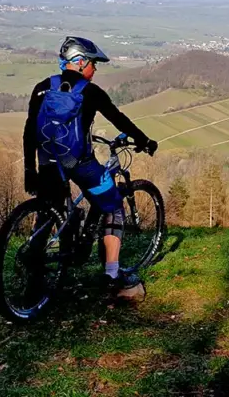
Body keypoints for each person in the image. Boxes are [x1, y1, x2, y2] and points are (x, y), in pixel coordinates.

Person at [22, 36, 158, 299]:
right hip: (79, 164)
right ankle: (112, 273)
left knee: (50, 211)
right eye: (93, 63)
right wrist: (144, 140)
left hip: (47, 161)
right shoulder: (90, 92)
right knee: (113, 204)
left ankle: (35, 276)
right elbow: (119, 119)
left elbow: (29, 131)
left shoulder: (41, 88)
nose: (95, 69)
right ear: (80, 62)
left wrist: (30, 169)